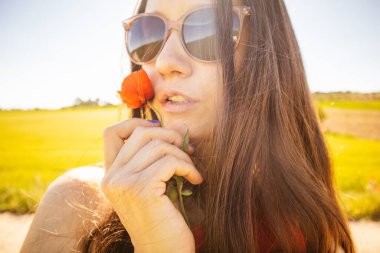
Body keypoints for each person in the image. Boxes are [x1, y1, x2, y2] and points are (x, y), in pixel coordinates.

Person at [21, 0, 356, 252]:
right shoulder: (74, 203)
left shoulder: (303, 220)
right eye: (147, 33)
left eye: (208, 30)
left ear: (263, 54)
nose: (165, 61)